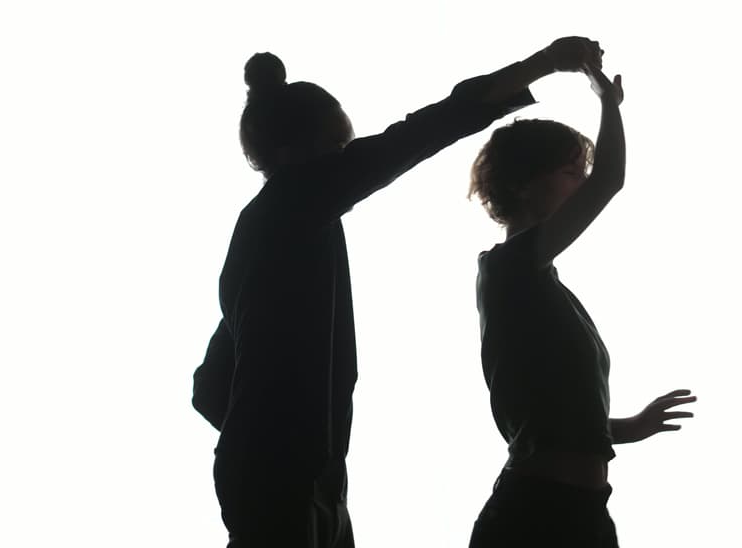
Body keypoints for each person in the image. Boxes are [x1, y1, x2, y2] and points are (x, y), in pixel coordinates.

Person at [192, 37, 606, 547]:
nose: (347, 159)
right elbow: (424, 129)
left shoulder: (267, 232)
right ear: (294, 152)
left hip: (289, 476)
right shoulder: (298, 199)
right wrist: (543, 63)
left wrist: (267, 438)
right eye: (338, 148)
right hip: (293, 479)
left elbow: (209, 387)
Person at [466, 49, 696, 547]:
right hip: (535, 515)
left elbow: (560, 420)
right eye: (572, 173)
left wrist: (630, 427)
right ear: (524, 186)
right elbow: (610, 179)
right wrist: (608, 103)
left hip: (583, 513)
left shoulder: (542, 287)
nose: (584, 184)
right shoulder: (508, 270)